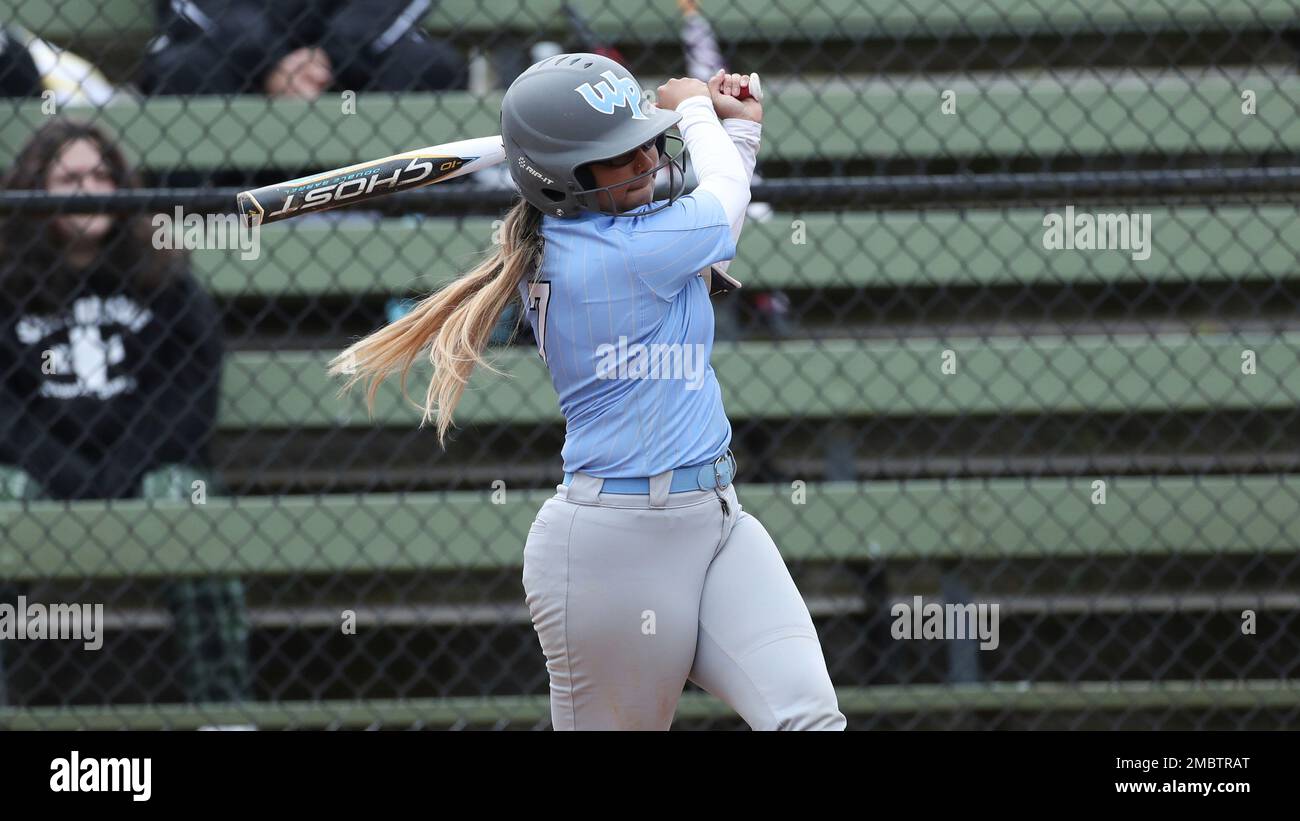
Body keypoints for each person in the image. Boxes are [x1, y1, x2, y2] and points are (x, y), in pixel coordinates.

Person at [331, 54, 846, 730]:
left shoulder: (612, 235)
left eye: (642, 144)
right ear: (561, 182)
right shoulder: (611, 253)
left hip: (717, 524)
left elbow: (714, 246)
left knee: (808, 718)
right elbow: (724, 202)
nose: (644, 162)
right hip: (615, 551)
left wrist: (738, 134)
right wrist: (694, 108)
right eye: (617, 157)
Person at [0, 119, 248, 705]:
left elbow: (187, 397)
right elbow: (5, 410)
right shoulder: (7, 284)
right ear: (35, 190)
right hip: (37, 467)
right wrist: (63, 470)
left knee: (186, 496)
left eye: (100, 174)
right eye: (68, 178)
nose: (88, 188)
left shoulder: (166, 279)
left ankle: (222, 709)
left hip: (145, 466)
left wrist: (121, 471)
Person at [138, 0, 467, 97]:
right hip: (238, 67)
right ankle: (205, 216)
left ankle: (405, 209)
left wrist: (330, 57)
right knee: (185, 68)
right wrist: (269, 63)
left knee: (427, 64)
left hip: (347, 71)